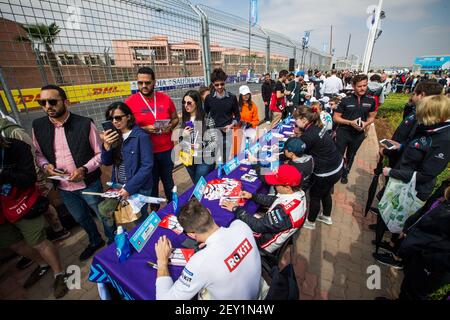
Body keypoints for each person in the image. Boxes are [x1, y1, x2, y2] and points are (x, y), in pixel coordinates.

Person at [32, 84, 113, 260]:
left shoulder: (84, 123)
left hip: (89, 183)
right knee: (81, 218)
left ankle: (113, 242)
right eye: (42, 102)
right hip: (63, 187)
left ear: (65, 102)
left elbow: (100, 154)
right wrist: (46, 166)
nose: (47, 106)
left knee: (103, 215)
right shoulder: (38, 126)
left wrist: (84, 169)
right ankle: (95, 241)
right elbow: (38, 154)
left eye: (52, 101)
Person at [0, 136, 68, 298]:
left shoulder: (15, 147)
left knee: (38, 241)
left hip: (20, 202)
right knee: (14, 244)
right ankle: (43, 264)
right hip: (2, 212)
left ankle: (59, 274)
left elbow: (28, 178)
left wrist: (3, 175)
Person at [154, 198, 261, 300]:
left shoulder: (199, 262)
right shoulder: (241, 226)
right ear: (209, 212)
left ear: (191, 235)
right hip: (257, 291)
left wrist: (162, 261)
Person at [221, 164, 307, 253]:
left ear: (288, 188)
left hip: (262, 244)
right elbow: (274, 200)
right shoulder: (297, 193)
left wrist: (235, 208)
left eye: (276, 184)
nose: (274, 185)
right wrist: (252, 196)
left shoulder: (285, 212)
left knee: (230, 229)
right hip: (269, 227)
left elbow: (258, 226)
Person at [125, 67, 179, 205]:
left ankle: (174, 206)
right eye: (140, 83)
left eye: (147, 83)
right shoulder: (129, 103)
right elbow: (126, 129)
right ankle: (154, 212)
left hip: (166, 150)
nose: (144, 86)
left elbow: (175, 118)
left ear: (154, 82)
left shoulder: (165, 99)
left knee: (168, 181)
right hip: (146, 154)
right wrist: (144, 129)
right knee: (151, 185)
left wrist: (170, 126)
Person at [101, 102, 154, 223]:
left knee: (139, 217)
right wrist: (106, 145)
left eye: (118, 117)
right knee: (123, 215)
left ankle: (147, 237)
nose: (114, 121)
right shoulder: (114, 137)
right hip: (119, 184)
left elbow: (147, 165)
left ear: (128, 117)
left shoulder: (141, 136)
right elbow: (106, 161)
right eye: (111, 119)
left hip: (138, 186)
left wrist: (130, 188)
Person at [294, 107, 343, 230]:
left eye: (296, 120)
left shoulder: (309, 135)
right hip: (337, 166)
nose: (295, 123)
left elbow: (296, 151)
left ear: (304, 120)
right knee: (325, 193)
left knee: (315, 196)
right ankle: (326, 216)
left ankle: (310, 222)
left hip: (326, 172)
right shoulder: (317, 127)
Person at [333, 74, 377, 184]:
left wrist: (365, 124)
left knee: (351, 155)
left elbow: (372, 117)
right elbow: (336, 117)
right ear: (353, 86)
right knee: (338, 154)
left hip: (358, 134)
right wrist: (350, 122)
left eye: (365, 85)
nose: (362, 88)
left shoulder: (371, 100)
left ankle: (345, 173)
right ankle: (335, 173)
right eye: (359, 86)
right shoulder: (345, 100)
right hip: (343, 132)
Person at [178, 90, 217, 184]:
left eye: (189, 102)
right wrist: (183, 135)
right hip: (189, 157)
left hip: (205, 158)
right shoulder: (184, 119)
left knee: (199, 185)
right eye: (184, 102)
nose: (186, 105)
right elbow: (181, 142)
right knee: (197, 184)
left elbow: (214, 141)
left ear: (196, 103)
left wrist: (201, 146)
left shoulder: (207, 120)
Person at [204, 68, 240, 161]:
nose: (220, 87)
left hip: (227, 134)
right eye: (217, 85)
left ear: (225, 82)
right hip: (212, 134)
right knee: (210, 160)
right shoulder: (209, 98)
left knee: (225, 159)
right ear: (213, 84)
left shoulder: (232, 98)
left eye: (222, 84)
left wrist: (232, 124)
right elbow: (206, 114)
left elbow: (237, 116)